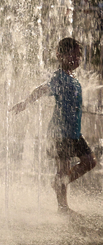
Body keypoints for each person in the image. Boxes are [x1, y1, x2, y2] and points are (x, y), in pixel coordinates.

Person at [10, 38, 97, 212]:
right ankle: (62, 206)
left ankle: (58, 183)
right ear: (61, 56)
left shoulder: (73, 78)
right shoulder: (59, 77)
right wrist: (25, 103)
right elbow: (41, 89)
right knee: (63, 168)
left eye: (79, 56)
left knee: (89, 162)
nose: (78, 59)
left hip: (74, 132)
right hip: (59, 132)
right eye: (74, 55)